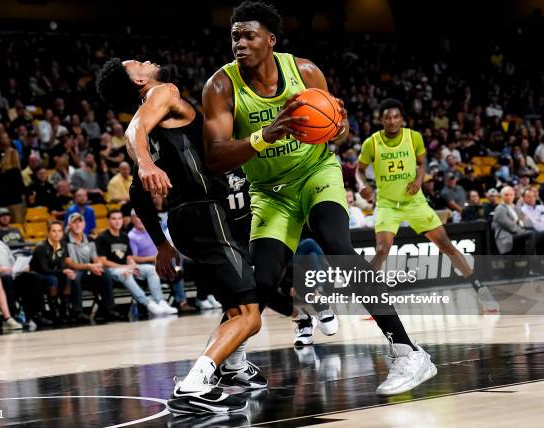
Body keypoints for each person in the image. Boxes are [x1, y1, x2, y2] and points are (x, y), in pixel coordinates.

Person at [201, 2, 437, 398]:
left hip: (316, 174)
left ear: (270, 40)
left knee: (339, 247)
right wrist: (265, 135)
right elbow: (215, 156)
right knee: (260, 280)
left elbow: (333, 132)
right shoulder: (221, 87)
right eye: (234, 36)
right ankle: (234, 363)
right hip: (269, 192)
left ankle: (408, 351)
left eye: (248, 35)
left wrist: (339, 126)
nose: (239, 43)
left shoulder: (305, 72)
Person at [98, 58, 266, 414]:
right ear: (140, 80)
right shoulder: (164, 92)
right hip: (207, 213)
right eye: (138, 63)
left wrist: (161, 244)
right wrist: (145, 164)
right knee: (251, 315)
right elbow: (134, 143)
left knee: (236, 308)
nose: (147, 60)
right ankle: (194, 384)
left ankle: (232, 367)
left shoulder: (146, 127)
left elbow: (137, 194)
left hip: (184, 221)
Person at [356, 99, 498, 313]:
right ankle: (368, 298)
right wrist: (363, 185)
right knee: (382, 249)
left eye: (396, 117)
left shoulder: (414, 137)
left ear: (402, 119)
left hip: (415, 202)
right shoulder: (371, 143)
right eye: (387, 117)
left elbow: (422, 162)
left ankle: (480, 290)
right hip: (387, 204)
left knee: (445, 245)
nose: (392, 121)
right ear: (381, 120)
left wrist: (419, 181)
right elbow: (359, 170)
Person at [95, 210, 170, 317]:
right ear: (108, 221)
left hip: (126, 266)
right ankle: (148, 303)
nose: (117, 221)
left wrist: (131, 264)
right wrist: (125, 267)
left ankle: (160, 301)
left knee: (151, 269)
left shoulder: (125, 236)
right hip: (112, 269)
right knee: (126, 273)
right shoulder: (102, 237)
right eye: (114, 219)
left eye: (120, 218)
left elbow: (129, 256)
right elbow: (102, 261)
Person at [64, 212, 121, 323]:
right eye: (74, 222)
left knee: (105, 273)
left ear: (84, 224)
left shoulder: (90, 239)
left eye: (79, 221)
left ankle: (109, 308)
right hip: (73, 271)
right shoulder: (65, 241)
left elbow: (96, 259)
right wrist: (89, 266)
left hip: (88, 271)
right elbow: (70, 264)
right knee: (75, 276)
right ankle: (77, 311)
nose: (77, 225)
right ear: (69, 225)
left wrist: (98, 265)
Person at [127, 213, 179, 314]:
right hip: (144, 264)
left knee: (178, 267)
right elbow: (133, 258)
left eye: (140, 217)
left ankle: (182, 301)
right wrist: (154, 258)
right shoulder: (131, 236)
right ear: (132, 220)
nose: (139, 220)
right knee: (155, 269)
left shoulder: (153, 231)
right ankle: (159, 300)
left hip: (158, 261)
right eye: (136, 218)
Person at [29, 221, 76, 324]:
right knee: (52, 278)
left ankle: (65, 310)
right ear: (48, 233)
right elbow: (45, 269)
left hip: (54, 272)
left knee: (68, 277)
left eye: (59, 231)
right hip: (38, 275)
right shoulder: (41, 247)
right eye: (53, 231)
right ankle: (55, 312)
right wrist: (63, 270)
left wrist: (67, 271)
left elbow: (62, 264)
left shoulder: (63, 244)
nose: (57, 233)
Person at [493, 186, 544, 255]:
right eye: (506, 195)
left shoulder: (516, 207)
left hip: (518, 234)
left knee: (540, 234)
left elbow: (529, 222)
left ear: (514, 196)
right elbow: (511, 227)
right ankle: (532, 261)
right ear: (502, 196)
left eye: (511, 195)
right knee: (531, 234)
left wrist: (519, 222)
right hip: (507, 237)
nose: (509, 197)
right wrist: (523, 227)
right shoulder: (500, 209)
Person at [0, 148, 26, 224]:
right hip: (16, 203)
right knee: (18, 226)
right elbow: (21, 188)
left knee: (6, 225)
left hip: (3, 204)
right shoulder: (15, 171)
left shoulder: (0, 170)